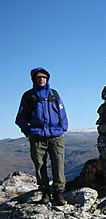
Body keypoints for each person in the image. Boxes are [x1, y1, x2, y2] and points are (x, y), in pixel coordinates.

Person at [15, 67, 69, 205]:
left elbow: (62, 113)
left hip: (56, 135)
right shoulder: (28, 96)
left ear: (47, 79)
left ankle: (59, 192)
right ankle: (45, 191)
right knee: (40, 164)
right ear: (34, 79)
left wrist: (63, 128)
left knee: (58, 162)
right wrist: (27, 132)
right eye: (39, 77)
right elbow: (20, 117)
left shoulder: (53, 94)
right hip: (37, 136)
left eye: (44, 77)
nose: (42, 79)